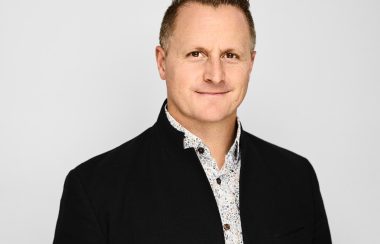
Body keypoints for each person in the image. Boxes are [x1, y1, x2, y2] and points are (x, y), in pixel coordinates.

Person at [53, 0, 332, 243]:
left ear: (251, 63)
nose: (215, 74)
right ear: (162, 63)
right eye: (196, 54)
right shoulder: (93, 189)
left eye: (230, 55)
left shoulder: (297, 177)